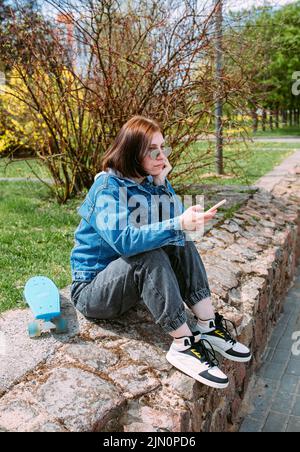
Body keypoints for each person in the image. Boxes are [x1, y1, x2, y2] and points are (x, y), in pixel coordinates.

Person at [70, 115, 251, 389]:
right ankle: (182, 344)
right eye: (152, 150)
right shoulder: (106, 188)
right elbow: (126, 242)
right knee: (148, 253)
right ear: (132, 152)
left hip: (124, 285)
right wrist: (177, 222)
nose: (161, 155)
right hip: (92, 292)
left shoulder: (146, 182)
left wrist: (161, 183)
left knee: (179, 239)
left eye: (162, 147)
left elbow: (174, 227)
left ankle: (207, 324)